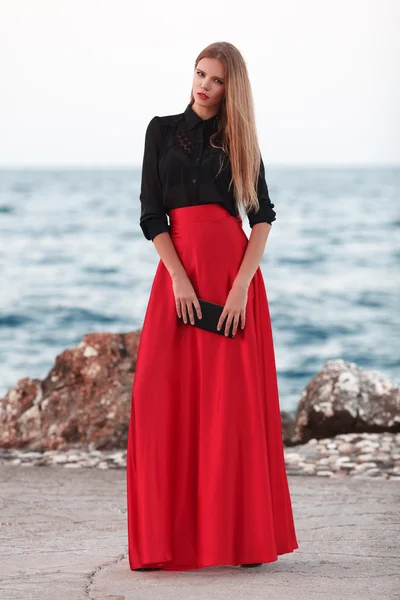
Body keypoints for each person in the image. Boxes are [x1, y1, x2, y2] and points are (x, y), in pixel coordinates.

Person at [126, 41, 299, 572]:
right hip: (178, 277)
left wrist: (243, 286)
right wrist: (178, 276)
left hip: (232, 280)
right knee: (159, 399)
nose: (203, 85)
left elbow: (261, 216)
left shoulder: (240, 140)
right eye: (200, 74)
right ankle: (163, 541)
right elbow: (152, 214)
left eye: (217, 79)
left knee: (233, 410)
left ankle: (243, 539)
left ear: (232, 88)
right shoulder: (160, 130)